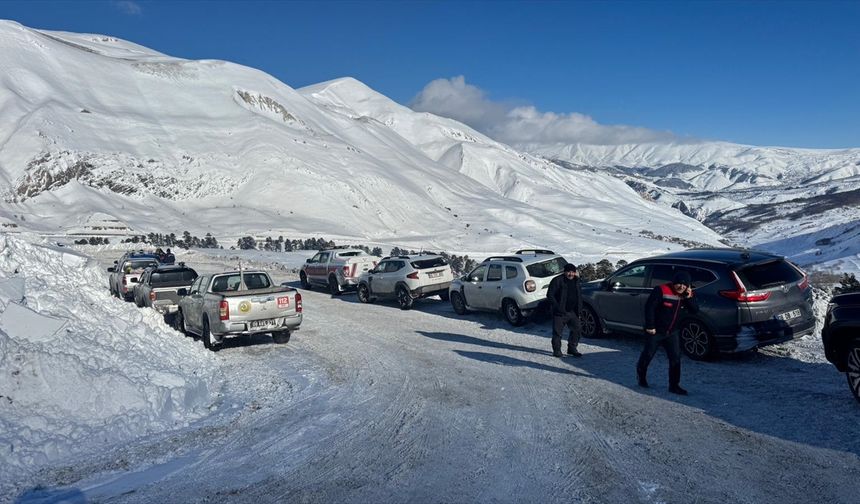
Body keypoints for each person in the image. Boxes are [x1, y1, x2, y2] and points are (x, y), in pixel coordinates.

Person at [637, 270, 699, 395]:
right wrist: (650, 326)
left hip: (672, 332)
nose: (681, 286)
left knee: (675, 359)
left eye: (684, 284)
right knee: (648, 355)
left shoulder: (687, 294)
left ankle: (674, 385)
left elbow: (695, 311)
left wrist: (689, 298)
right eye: (678, 284)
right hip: (655, 331)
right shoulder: (661, 290)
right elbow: (650, 308)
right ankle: (641, 377)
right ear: (673, 283)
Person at [546, 263, 583, 358]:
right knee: (558, 333)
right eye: (568, 272)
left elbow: (579, 295)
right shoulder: (557, 281)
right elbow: (550, 295)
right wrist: (557, 307)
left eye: (572, 272)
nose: (570, 274)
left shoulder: (577, 281)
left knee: (577, 329)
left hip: (573, 311)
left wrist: (579, 309)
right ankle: (557, 350)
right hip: (560, 312)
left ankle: (572, 348)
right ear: (564, 272)